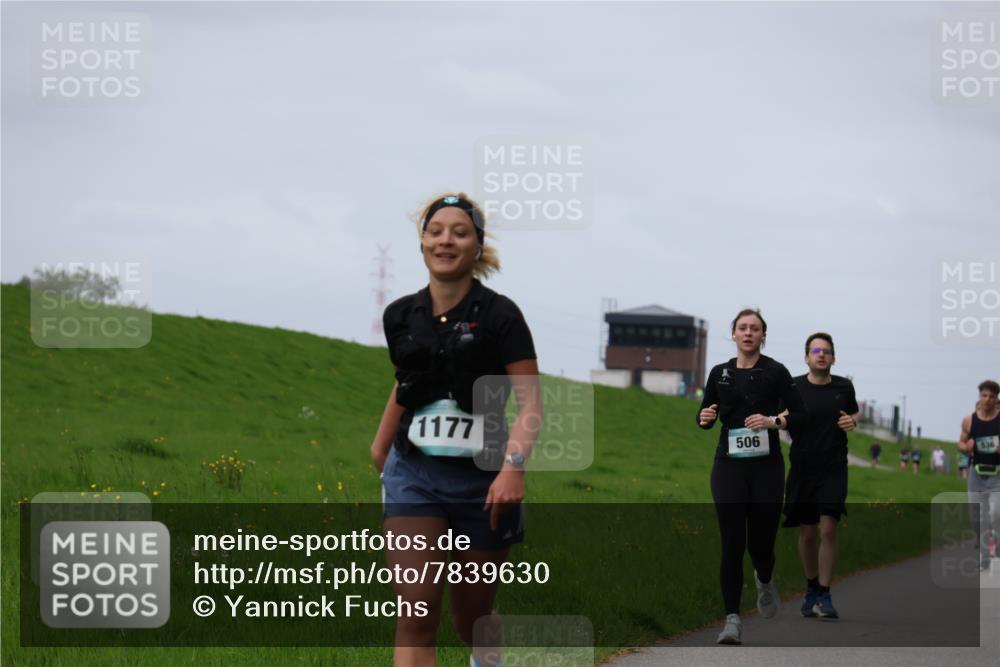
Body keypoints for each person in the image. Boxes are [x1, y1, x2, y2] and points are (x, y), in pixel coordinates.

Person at [371, 193, 542, 667]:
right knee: (416, 611)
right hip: (415, 478)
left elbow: (531, 404)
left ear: (477, 245)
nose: (446, 239)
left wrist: (513, 469)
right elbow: (408, 382)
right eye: (436, 230)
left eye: (460, 232)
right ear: (423, 241)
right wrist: (381, 445)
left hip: (483, 484)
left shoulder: (502, 316)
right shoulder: (400, 315)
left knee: (473, 620)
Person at [697, 308, 806, 645]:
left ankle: (764, 576)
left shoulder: (776, 371)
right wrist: (703, 416)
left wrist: (773, 421)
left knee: (761, 542)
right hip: (728, 464)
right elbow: (705, 415)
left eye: (754, 329)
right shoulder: (719, 373)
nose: (748, 333)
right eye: (742, 328)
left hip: (767, 467)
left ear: (763, 336)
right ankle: (732, 620)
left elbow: (799, 413)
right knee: (732, 542)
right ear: (733, 334)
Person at [781, 333, 859, 621]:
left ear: (833, 358)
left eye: (826, 351)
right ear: (806, 357)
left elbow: (853, 413)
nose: (821, 354)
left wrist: (853, 421)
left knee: (828, 528)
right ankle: (811, 585)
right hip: (802, 467)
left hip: (834, 466)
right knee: (808, 532)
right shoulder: (795, 387)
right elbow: (784, 415)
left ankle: (825, 592)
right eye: (816, 350)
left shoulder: (844, 386)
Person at [958, 380, 1000, 571]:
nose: (987, 399)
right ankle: (984, 560)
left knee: (996, 513)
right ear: (979, 396)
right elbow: (961, 442)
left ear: (996, 398)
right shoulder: (969, 420)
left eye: (992, 396)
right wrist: (966, 447)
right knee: (977, 518)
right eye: (984, 395)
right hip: (976, 473)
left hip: (997, 474)